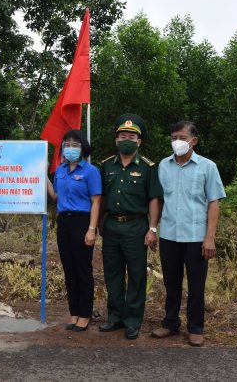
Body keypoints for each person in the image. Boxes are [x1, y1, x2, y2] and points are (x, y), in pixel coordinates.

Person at [151, 121, 226, 347]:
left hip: (196, 237)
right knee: (171, 283)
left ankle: (195, 327)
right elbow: (159, 200)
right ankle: (170, 323)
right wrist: (153, 228)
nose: (178, 142)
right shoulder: (163, 166)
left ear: (194, 141)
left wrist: (210, 237)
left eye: (182, 138)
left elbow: (214, 202)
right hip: (169, 236)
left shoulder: (207, 167)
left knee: (196, 285)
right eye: (174, 137)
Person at [98, 113, 163, 340]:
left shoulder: (148, 167)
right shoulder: (106, 166)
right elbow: (101, 198)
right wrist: (99, 225)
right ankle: (114, 317)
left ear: (139, 141)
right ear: (116, 140)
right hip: (112, 226)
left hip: (136, 227)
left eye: (131, 135)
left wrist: (152, 228)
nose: (126, 138)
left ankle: (133, 321)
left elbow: (154, 199)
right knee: (113, 274)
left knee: (136, 275)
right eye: (122, 135)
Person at [46, 130, 101, 332]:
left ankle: (85, 314)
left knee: (83, 271)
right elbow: (56, 197)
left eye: (75, 144)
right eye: (67, 144)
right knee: (69, 270)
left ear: (83, 147)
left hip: (82, 222)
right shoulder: (60, 170)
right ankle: (74, 312)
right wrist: (42, 177)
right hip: (64, 222)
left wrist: (91, 229)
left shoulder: (90, 171)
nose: (70, 147)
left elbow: (96, 202)